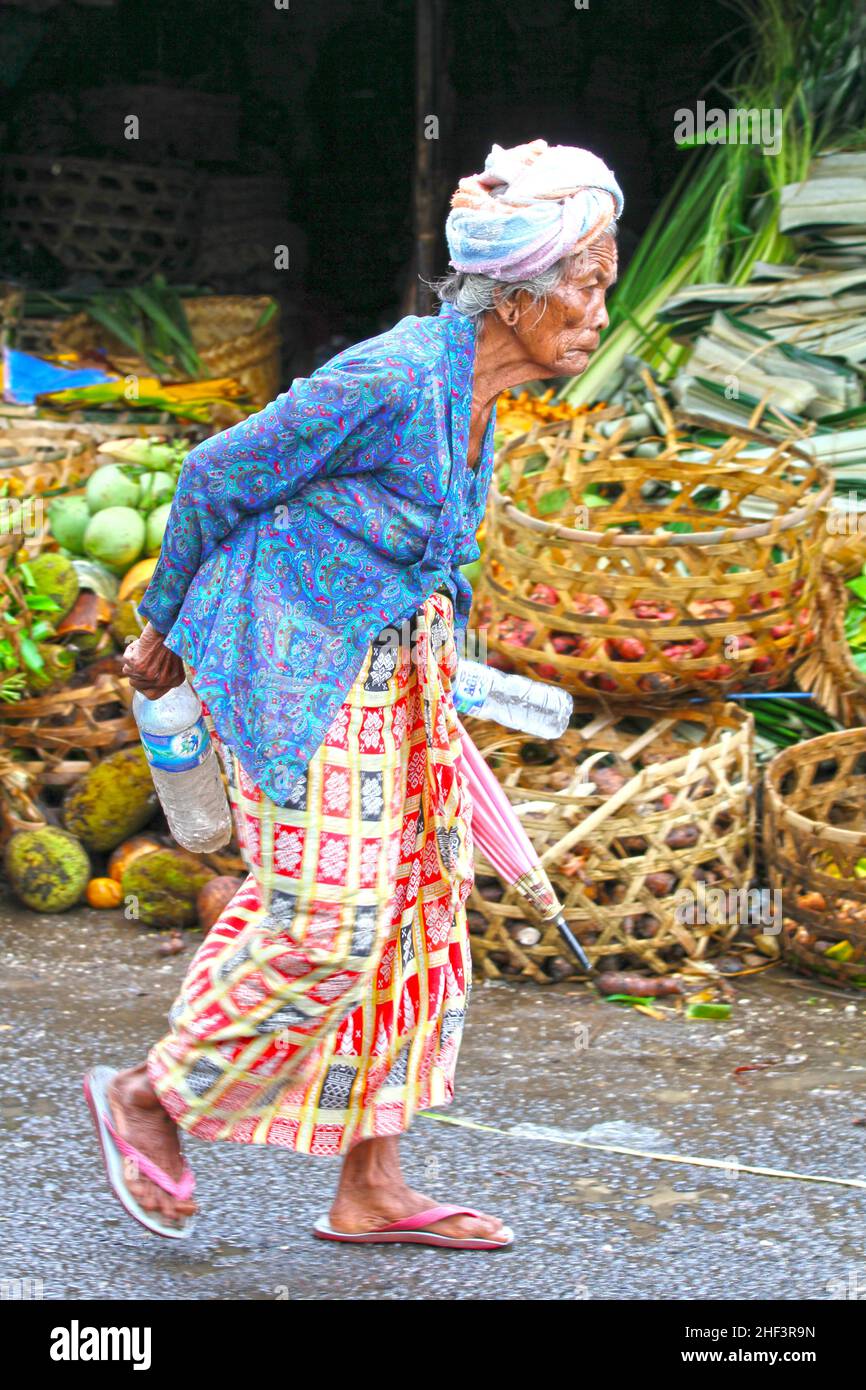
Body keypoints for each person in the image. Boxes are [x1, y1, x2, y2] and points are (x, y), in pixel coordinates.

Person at [83, 139, 622, 1250]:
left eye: (601, 284)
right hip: (292, 667)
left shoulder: (474, 403)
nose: (597, 310)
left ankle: (369, 1184)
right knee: (330, 922)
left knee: (417, 919)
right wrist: (163, 627)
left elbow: (428, 552)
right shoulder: (386, 378)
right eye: (585, 283)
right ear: (514, 295)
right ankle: (151, 1093)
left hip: (392, 669)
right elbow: (213, 472)